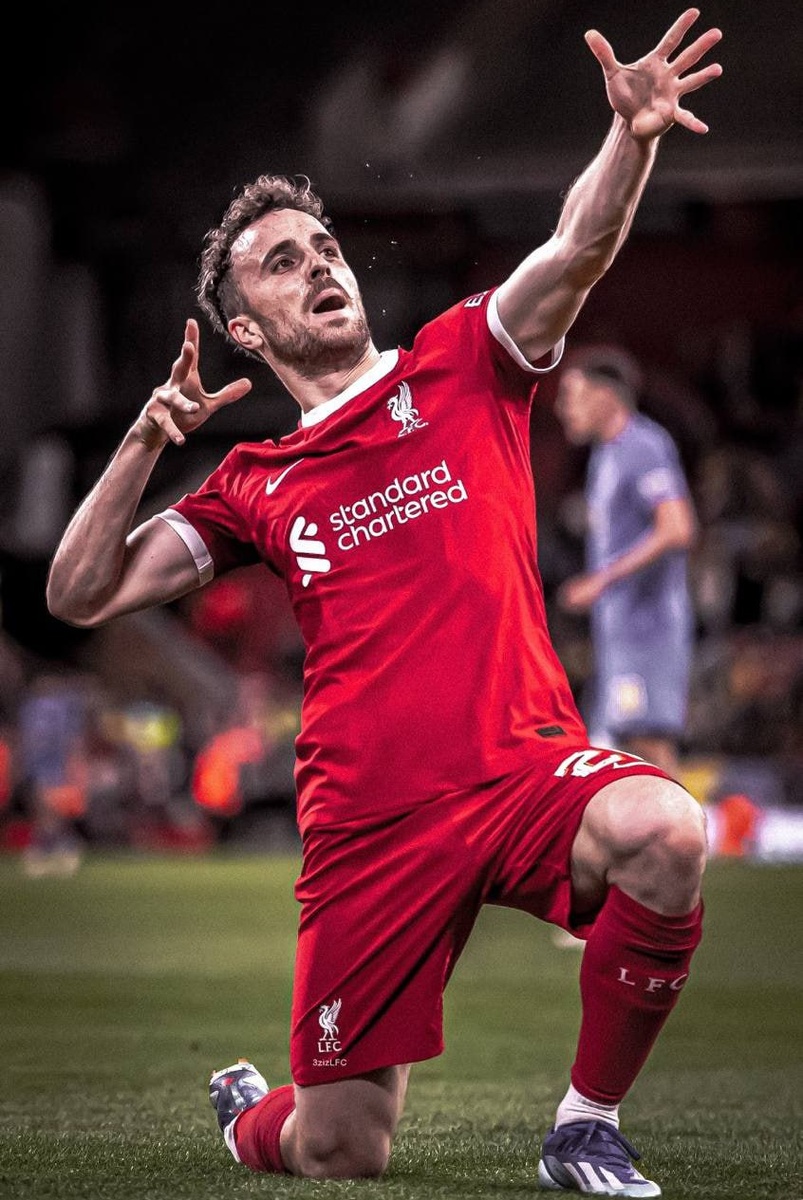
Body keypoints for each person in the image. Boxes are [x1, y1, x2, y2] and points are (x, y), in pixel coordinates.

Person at [46, 10, 722, 1196]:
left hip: (520, 770)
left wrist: (629, 138)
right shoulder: (253, 482)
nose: (318, 265)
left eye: (323, 247)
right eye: (281, 262)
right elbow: (79, 592)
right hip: (370, 828)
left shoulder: (464, 363)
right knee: (340, 1151)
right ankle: (255, 1119)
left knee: (666, 831)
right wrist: (147, 439)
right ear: (243, 329)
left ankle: (584, 1129)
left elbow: (573, 249)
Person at [554, 346, 698, 779]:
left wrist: (602, 580)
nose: (563, 409)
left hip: (649, 627)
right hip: (620, 630)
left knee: (647, 742)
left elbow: (678, 527)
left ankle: (685, 823)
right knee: (622, 746)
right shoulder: (605, 456)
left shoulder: (643, 445)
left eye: (573, 395)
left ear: (605, 396)